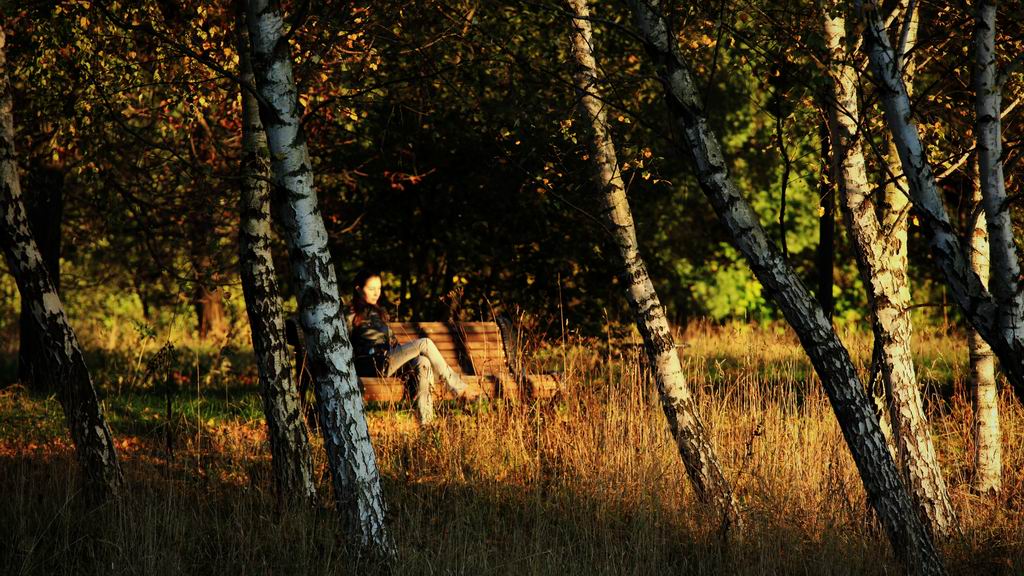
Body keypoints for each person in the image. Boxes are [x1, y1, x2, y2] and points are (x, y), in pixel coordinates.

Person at [346, 270, 479, 425]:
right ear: (358, 289)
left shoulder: (379, 313)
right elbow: (344, 345)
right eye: (371, 289)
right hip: (370, 364)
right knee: (425, 343)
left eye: (379, 288)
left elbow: (393, 342)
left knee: (423, 362)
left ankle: (426, 423)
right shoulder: (349, 314)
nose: (377, 293)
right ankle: (459, 388)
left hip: (388, 360)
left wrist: (403, 354)